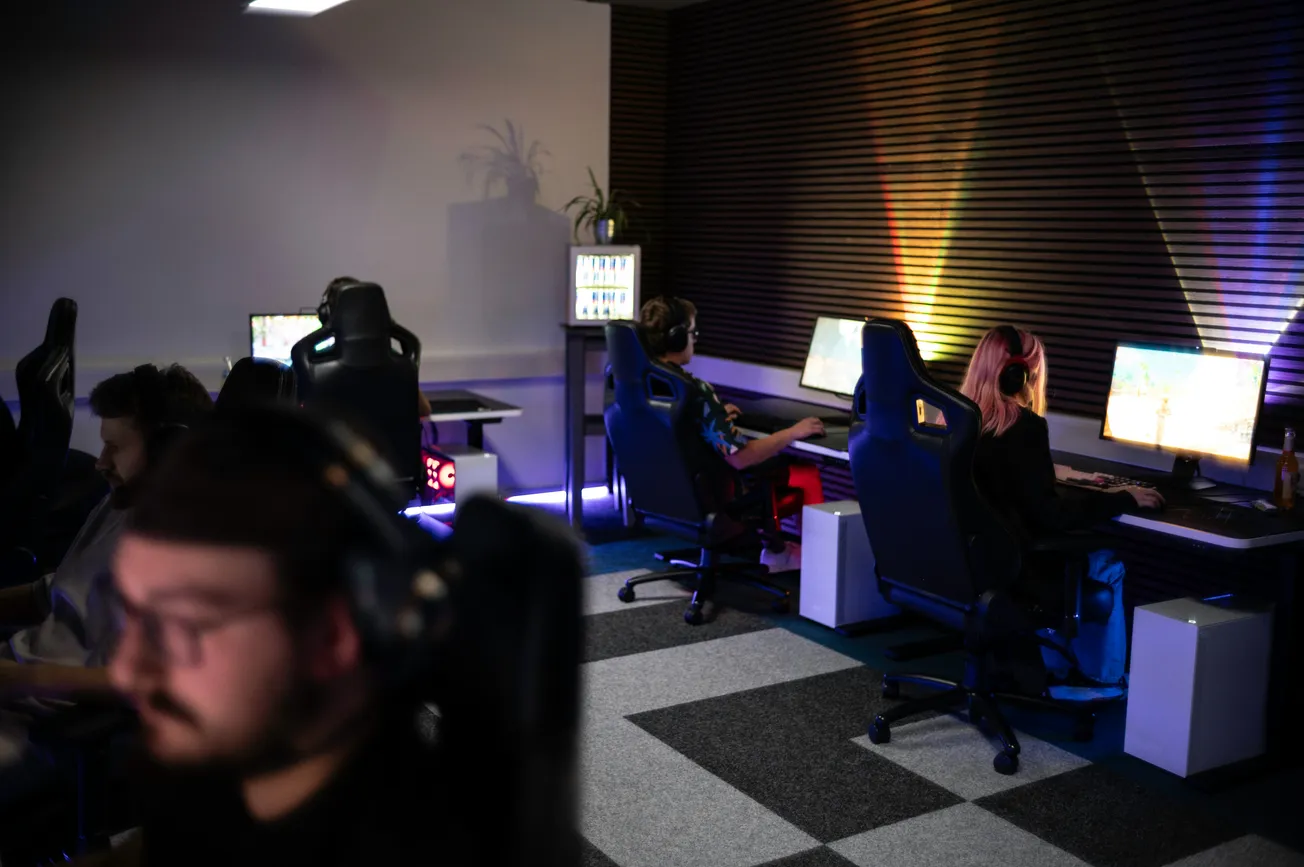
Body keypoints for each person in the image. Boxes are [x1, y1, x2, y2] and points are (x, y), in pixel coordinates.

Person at [103, 410, 463, 866]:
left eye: (178, 626)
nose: (125, 672)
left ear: (332, 636)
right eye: (132, 614)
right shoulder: (215, 778)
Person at [960, 326, 1163, 692]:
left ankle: (1054, 665)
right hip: (1017, 569)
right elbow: (1052, 516)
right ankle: (1102, 682)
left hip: (972, 566)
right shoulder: (1025, 428)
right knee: (1109, 564)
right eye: (1034, 371)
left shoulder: (958, 422)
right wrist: (1124, 497)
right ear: (1017, 375)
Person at [0, 363, 214, 691]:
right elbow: (56, 593)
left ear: (167, 450)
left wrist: (15, 677)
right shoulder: (120, 502)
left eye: (114, 447)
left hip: (39, 716)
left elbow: (152, 682)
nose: (100, 463)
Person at [637, 296, 824, 570]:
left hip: (665, 495)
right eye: (692, 332)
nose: (695, 339)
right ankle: (801, 561)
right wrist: (793, 432)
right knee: (805, 473)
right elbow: (741, 458)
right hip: (714, 497)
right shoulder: (695, 391)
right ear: (677, 338)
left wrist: (716, 417)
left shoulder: (640, 383)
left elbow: (681, 430)